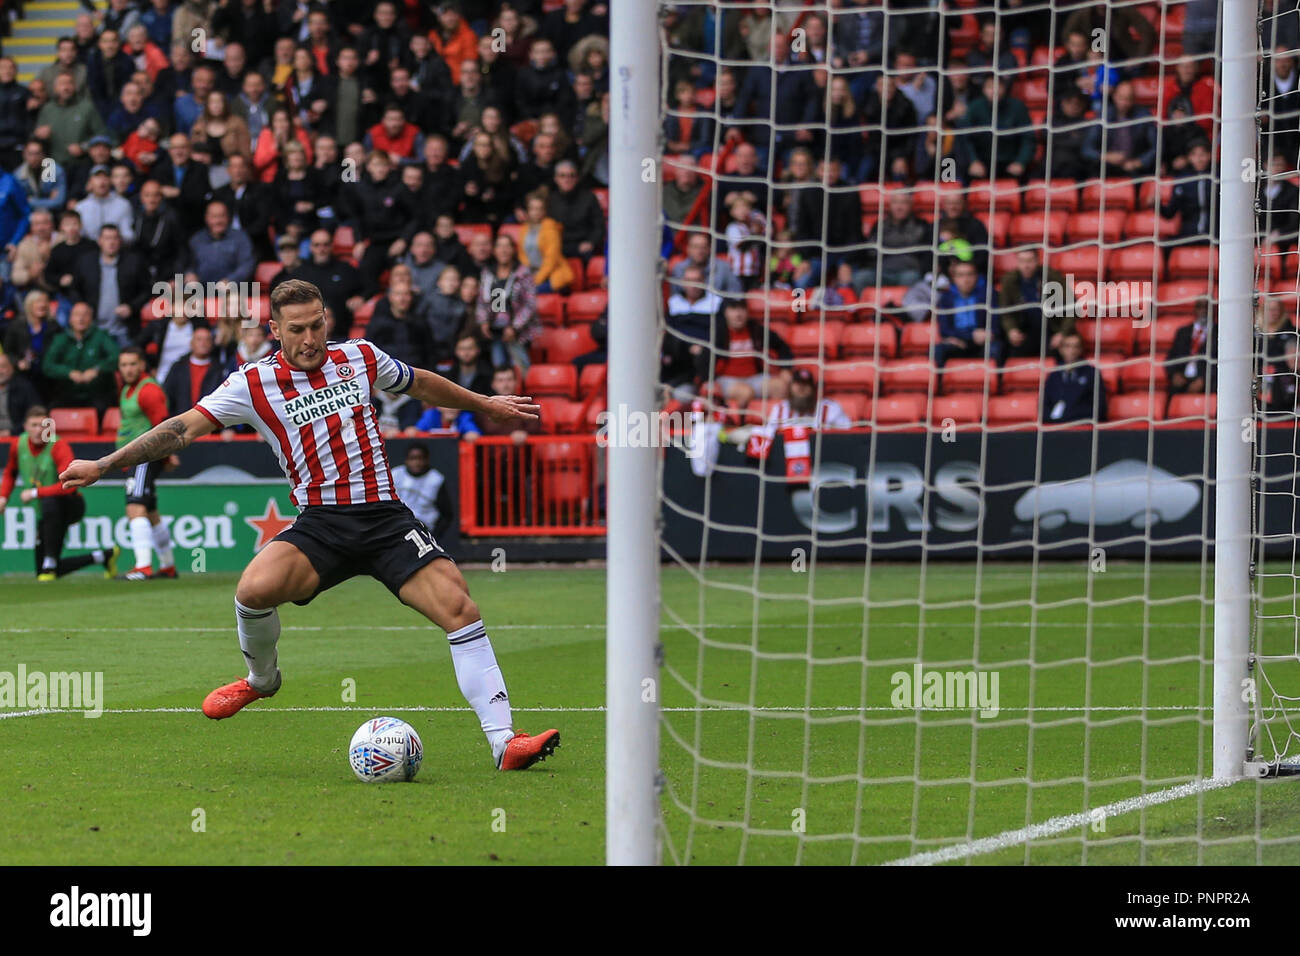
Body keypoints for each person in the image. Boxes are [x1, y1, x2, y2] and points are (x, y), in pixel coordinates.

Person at [59, 279, 559, 771]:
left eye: (317, 325)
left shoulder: (360, 357)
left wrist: (485, 402)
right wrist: (104, 465)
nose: (310, 338)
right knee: (252, 591)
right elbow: (180, 429)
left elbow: (420, 381)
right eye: (297, 329)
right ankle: (261, 680)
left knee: (460, 608)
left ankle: (504, 743)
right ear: (275, 330)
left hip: (384, 516)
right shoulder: (252, 383)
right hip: (321, 522)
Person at [1, 406, 120, 580]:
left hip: (69, 505)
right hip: (46, 511)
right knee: (42, 572)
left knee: (50, 502)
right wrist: (3, 497)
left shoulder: (58, 445)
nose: (38, 430)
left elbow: (70, 485)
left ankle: (50, 562)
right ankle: (103, 556)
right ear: (25, 427)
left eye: (43, 425)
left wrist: (35, 493)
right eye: (33, 425)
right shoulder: (18, 445)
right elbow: (10, 473)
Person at [115, 344, 176, 580]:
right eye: (123, 365)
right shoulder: (127, 389)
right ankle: (168, 565)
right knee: (150, 511)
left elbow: (163, 424)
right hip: (136, 457)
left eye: (132, 364)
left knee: (135, 506)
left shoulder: (148, 390)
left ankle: (142, 567)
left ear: (141, 365)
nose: (128, 369)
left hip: (144, 455)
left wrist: (167, 454)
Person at [390, 443, 452, 540]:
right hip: (398, 525)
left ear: (427, 460)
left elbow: (446, 514)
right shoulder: (396, 474)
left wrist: (434, 537)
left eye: (420, 458)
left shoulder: (436, 479)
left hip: (423, 528)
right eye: (412, 458)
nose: (416, 462)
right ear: (406, 460)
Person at [1042, 332, 1106, 423]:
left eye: (1076, 346)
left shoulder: (1091, 373)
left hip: (1081, 428)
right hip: (1054, 427)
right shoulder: (1054, 375)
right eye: (1067, 346)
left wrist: (1067, 416)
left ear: (1081, 350)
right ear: (1060, 349)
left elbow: (1100, 408)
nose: (1072, 350)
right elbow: (1044, 407)